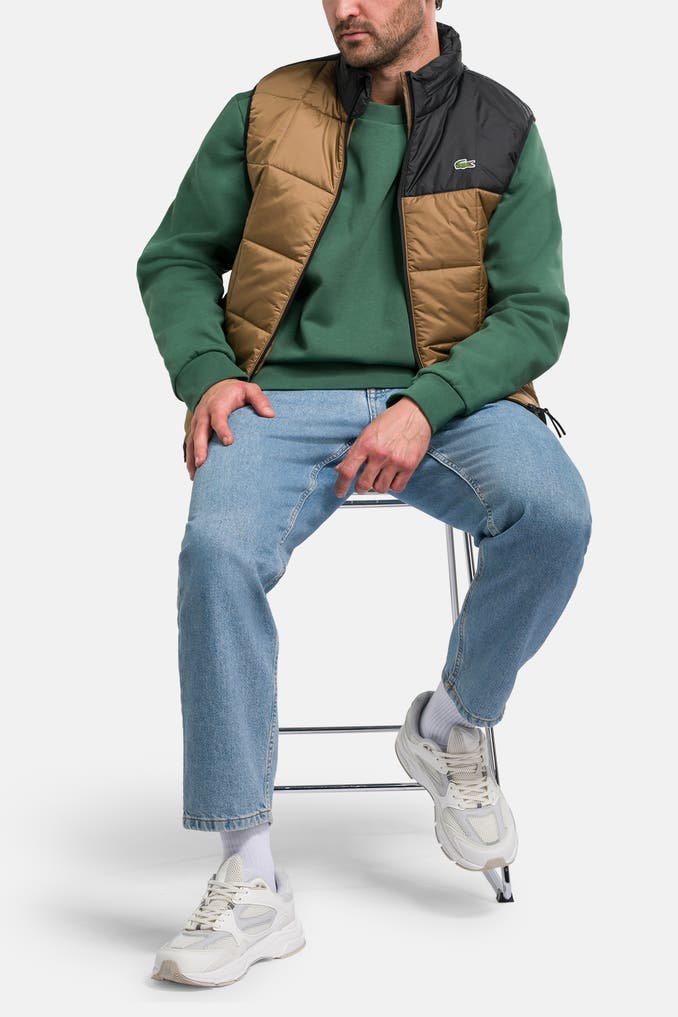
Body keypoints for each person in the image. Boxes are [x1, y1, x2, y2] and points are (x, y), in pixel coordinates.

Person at [136, 0, 592, 989]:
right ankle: (250, 878)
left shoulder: (500, 124)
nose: (345, 7)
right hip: (281, 397)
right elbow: (175, 256)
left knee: (556, 514)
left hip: (450, 396)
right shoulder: (266, 109)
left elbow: (534, 312)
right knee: (216, 554)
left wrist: (427, 404)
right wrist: (208, 374)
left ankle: (449, 723)